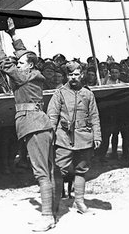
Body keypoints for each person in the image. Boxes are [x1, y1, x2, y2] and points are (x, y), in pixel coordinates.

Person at [0, 18, 57, 231]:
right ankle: (52, 211)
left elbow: (7, 64)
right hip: (39, 125)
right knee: (47, 170)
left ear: (28, 66)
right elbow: (23, 56)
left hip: (33, 125)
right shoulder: (31, 74)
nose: (17, 64)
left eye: (20, 63)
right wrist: (13, 34)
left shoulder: (24, 77)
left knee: (41, 173)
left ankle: (47, 216)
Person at [47, 61, 101, 214]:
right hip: (63, 138)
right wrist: (51, 135)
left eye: (76, 74)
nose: (73, 77)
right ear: (66, 76)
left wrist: (97, 136)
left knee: (81, 170)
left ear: (82, 75)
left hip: (84, 138)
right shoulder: (59, 93)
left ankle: (80, 203)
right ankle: (54, 205)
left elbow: (94, 116)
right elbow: (52, 115)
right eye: (70, 74)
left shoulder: (88, 94)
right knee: (59, 170)